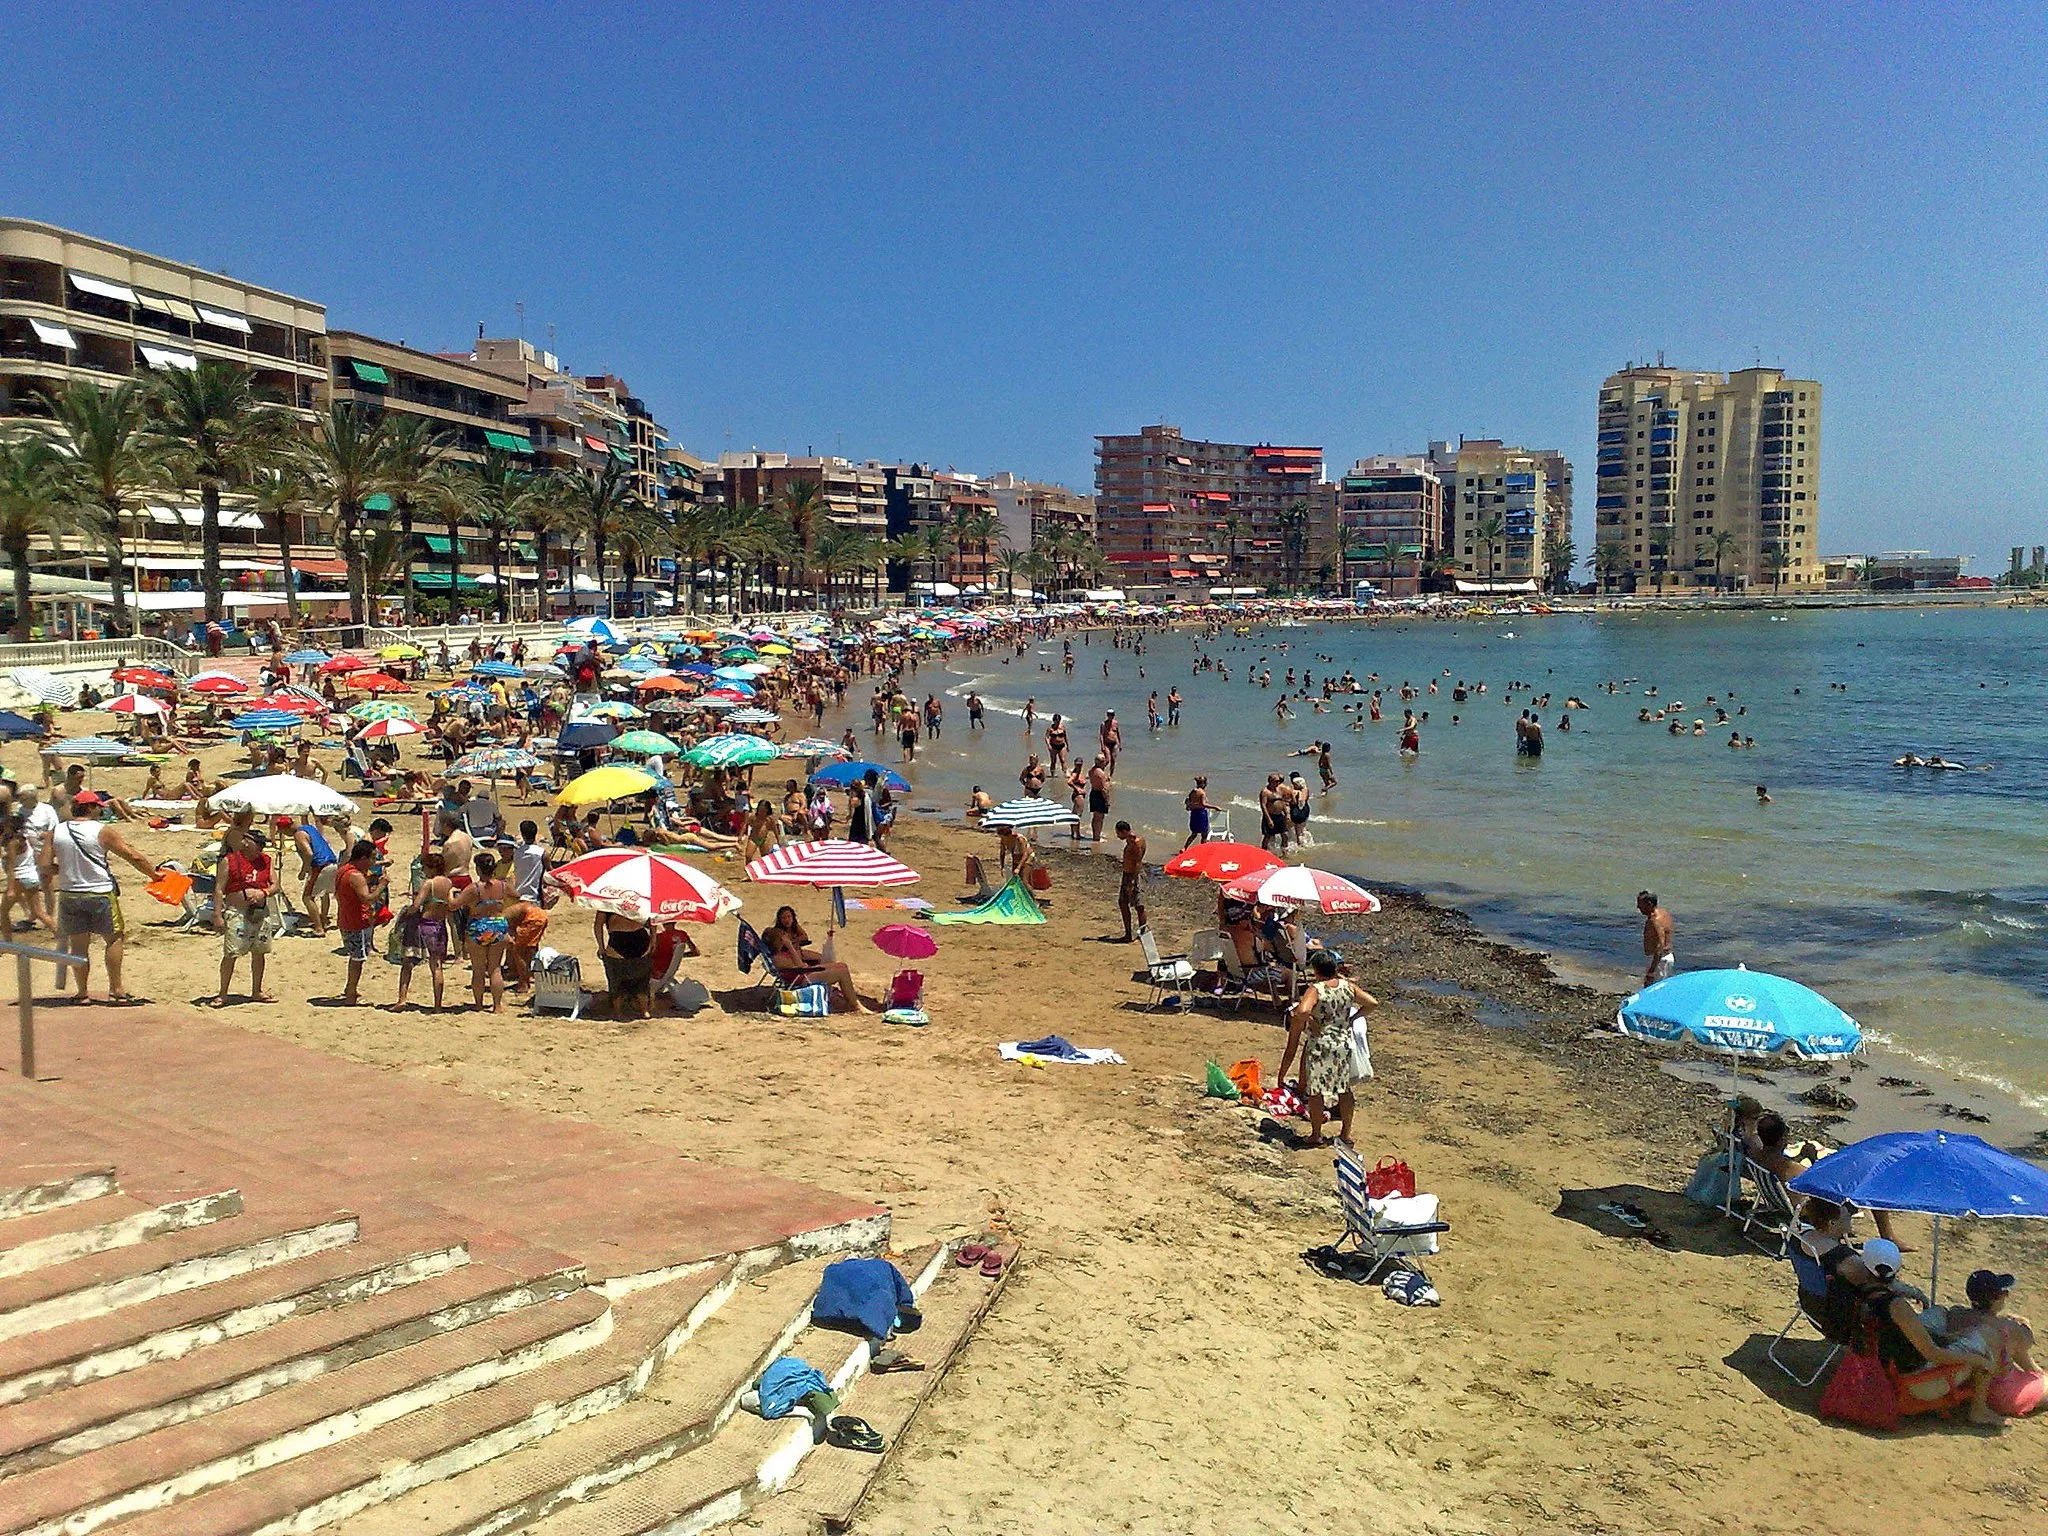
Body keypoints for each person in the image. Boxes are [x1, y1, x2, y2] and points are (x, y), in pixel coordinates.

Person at [1846, 1238, 2005, 1425]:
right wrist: (1980, 1360)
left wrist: (1949, 1337)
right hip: (1918, 1383)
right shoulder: (1896, 1306)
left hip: (1887, 1368)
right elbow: (1933, 1354)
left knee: (1940, 1315)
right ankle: (1979, 1409)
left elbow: (1910, 1339)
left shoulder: (1860, 1293)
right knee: (1990, 1337)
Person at [42, 793, 159, 1005]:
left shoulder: (56, 831)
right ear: (90, 808)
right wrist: (154, 875)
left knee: (78, 945)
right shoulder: (101, 831)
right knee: (113, 938)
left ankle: (82, 992)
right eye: (98, 807)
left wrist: (66, 869)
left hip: (70, 893)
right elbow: (132, 856)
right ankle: (116, 988)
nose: (101, 810)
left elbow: (45, 866)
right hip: (100, 892)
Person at [1276, 949, 1377, 1147]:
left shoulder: (1316, 989)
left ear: (1316, 970)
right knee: (1344, 1090)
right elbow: (1372, 1003)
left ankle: (1316, 1134)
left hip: (1321, 1044)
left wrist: (1312, 1021)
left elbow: (1302, 1010)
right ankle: (1345, 1134)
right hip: (1343, 1042)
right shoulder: (1348, 987)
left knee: (1316, 1092)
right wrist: (1353, 1018)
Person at [761, 905, 869, 1014]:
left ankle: (849, 1000)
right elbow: (800, 966)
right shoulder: (778, 957)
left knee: (842, 965)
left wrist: (792, 948)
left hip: (803, 973)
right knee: (842, 972)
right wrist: (790, 947)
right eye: (783, 938)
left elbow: (803, 944)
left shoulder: (781, 952)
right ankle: (855, 1005)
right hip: (802, 978)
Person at [215, 827, 280, 1006]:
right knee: (231, 953)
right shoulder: (230, 860)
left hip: (260, 912)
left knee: (259, 952)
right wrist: (218, 915)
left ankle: (257, 991)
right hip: (237, 912)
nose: (243, 842)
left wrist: (263, 893)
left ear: (257, 845)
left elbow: (275, 885)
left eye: (248, 839)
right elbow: (219, 889)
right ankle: (223, 993)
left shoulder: (267, 861)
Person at [1945, 1271, 2036, 1378]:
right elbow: (2027, 1341)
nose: (2006, 1295)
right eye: (2004, 1292)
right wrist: (2025, 1324)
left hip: (1960, 1374)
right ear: (1996, 1298)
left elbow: (1980, 1318)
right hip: (1991, 1380)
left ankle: (2035, 1371)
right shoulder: (2002, 1327)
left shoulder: (1955, 1313)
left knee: (2011, 1348)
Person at [394, 849, 453, 1011]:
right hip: (439, 926)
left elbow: (416, 905)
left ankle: (402, 999)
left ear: (432, 868)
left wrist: (406, 914)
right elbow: (450, 904)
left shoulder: (429, 883)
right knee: (437, 966)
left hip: (424, 925)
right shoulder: (448, 883)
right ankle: (437, 1005)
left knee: (407, 962)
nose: (423, 870)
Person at [457, 850, 512, 1013]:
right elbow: (516, 895)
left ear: (479, 869)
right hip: (497, 925)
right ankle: (497, 1005)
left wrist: (450, 895)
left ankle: (479, 1004)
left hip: (479, 926)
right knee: (495, 968)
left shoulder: (474, 889)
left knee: (478, 969)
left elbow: (454, 904)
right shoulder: (502, 885)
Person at [335, 840, 379, 1006]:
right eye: (372, 858)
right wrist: (382, 885)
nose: (373, 862)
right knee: (358, 958)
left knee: (356, 956)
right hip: (356, 921)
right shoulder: (355, 876)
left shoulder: (344, 869)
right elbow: (367, 899)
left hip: (346, 918)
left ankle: (350, 989)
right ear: (363, 858)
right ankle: (351, 992)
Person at [9, 787, 56, 935]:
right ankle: (34, 914)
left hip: (43, 851)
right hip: (27, 853)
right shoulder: (19, 811)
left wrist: (47, 835)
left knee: (46, 884)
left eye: (22, 797)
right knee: (28, 886)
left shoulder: (46, 810)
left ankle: (48, 914)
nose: (20, 800)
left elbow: (55, 827)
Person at [596, 909, 656, 1019]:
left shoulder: (605, 903)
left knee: (617, 979)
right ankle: (643, 1011)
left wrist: (601, 947)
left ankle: (619, 1012)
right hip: (639, 938)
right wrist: (653, 940)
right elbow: (653, 920)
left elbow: (598, 925)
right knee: (640, 979)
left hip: (620, 939)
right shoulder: (641, 900)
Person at [294, 814, 340, 937]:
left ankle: (319, 929)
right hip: (333, 862)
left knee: (307, 898)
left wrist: (303, 871)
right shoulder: (310, 828)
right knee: (324, 894)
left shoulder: (299, 834)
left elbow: (309, 854)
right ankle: (323, 920)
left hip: (320, 866)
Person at [1114, 821, 1146, 942]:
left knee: (1138, 905)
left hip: (1132, 875)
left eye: (1118, 833)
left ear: (1124, 831)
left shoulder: (1135, 843)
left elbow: (1138, 862)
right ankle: (1129, 933)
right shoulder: (1131, 840)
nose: (1117, 836)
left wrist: (1133, 881)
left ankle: (1139, 933)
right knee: (1123, 903)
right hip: (1128, 874)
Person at [1638, 891, 1674, 985]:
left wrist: (1652, 970)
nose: (1638, 907)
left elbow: (1660, 945)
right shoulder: (1664, 914)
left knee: (1652, 989)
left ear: (1649, 904)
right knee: (1662, 988)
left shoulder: (1655, 921)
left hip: (1658, 959)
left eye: (1640, 904)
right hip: (1666, 957)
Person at [1086, 753, 1111, 846]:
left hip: (1093, 793)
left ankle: (1095, 835)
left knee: (1095, 816)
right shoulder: (1101, 774)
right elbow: (1104, 789)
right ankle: (1097, 837)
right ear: (1101, 762)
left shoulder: (1092, 770)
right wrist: (1107, 800)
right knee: (1100, 818)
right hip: (1100, 795)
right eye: (1104, 761)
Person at [1183, 776, 1211, 849]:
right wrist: (1215, 807)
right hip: (1201, 814)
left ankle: (1185, 848)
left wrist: (1189, 806)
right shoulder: (1202, 793)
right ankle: (1202, 849)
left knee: (1194, 833)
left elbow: (1187, 801)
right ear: (1203, 784)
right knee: (1204, 833)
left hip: (1194, 813)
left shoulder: (1193, 791)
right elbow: (1203, 804)